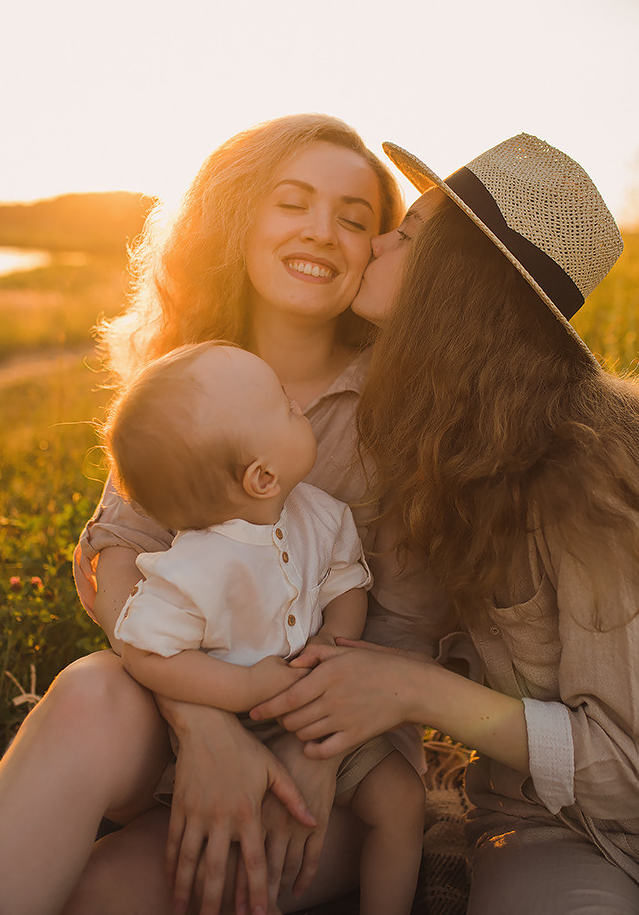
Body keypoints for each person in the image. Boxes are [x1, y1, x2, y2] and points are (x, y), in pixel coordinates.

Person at [0, 114, 414, 915]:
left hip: (337, 755)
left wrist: (315, 749)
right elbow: (118, 554)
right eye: (292, 202)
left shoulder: (398, 403)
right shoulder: (189, 373)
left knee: (106, 893)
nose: (323, 231)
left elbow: (406, 625)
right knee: (87, 693)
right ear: (238, 216)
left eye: (355, 218)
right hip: (185, 705)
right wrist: (203, 723)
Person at [251, 133, 639, 914]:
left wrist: (413, 690)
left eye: (409, 233)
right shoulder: (435, 439)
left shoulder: (587, 471)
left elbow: (624, 773)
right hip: (537, 828)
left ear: (457, 281)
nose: (377, 242)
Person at [105, 340, 424, 915]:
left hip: (321, 714)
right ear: (261, 477)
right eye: (286, 407)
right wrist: (246, 689)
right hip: (238, 734)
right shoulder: (193, 569)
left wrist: (333, 640)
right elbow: (145, 651)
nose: (296, 404)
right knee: (240, 850)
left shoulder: (321, 514)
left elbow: (346, 584)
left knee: (402, 799)